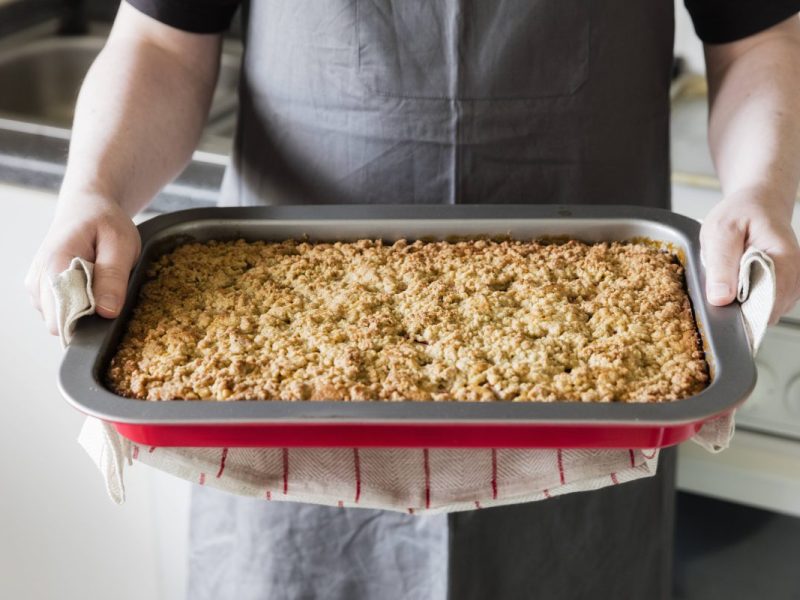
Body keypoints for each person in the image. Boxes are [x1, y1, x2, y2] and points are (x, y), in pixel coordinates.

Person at [26, 1, 800, 598]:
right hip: (282, 399)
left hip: (585, 420)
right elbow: (163, 40)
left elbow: (760, 37)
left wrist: (760, 190)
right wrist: (94, 188)